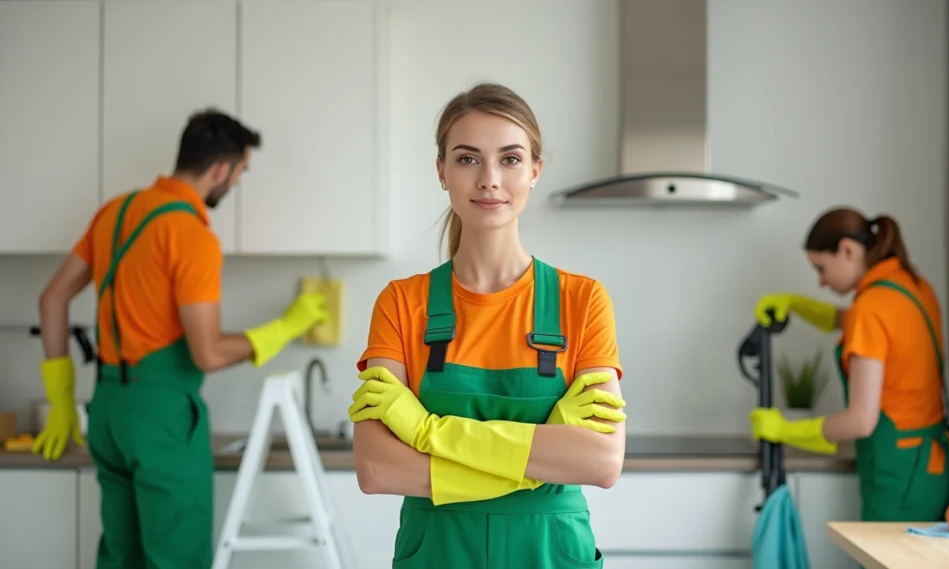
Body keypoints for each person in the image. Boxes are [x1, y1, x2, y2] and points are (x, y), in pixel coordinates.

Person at [346, 82, 628, 569]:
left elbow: (600, 463)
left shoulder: (582, 301)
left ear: (535, 170)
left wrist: (425, 430)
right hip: (437, 553)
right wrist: (542, 456)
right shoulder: (400, 303)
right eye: (468, 158)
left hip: (550, 554)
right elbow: (375, 468)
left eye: (511, 159)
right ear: (441, 171)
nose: (490, 179)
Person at [33, 108, 329, 569]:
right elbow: (206, 353)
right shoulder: (190, 235)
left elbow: (51, 299)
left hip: (107, 410)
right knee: (176, 559)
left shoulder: (116, 212)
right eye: (240, 173)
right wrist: (284, 328)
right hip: (162, 418)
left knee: (119, 558)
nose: (236, 184)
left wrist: (61, 399)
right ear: (220, 169)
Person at [749, 207, 949, 522]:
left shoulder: (870, 308)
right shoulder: (912, 286)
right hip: (936, 467)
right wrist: (797, 305)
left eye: (820, 268)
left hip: (898, 475)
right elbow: (855, 321)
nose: (821, 282)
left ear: (847, 250)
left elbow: (860, 421)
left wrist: (784, 429)